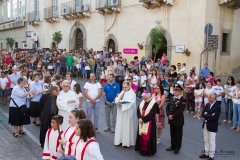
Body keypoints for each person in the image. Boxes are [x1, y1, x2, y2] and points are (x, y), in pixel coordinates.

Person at [135, 90, 159, 157]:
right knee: (141, 135)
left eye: (145, 98)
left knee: (147, 138)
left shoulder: (154, 104)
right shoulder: (143, 101)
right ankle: (140, 148)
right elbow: (138, 110)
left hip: (149, 122)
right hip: (141, 121)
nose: (144, 99)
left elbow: (152, 114)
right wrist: (139, 118)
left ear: (149, 97)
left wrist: (143, 119)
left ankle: (146, 151)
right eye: (143, 98)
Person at [114, 81, 138, 148]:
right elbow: (117, 99)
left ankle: (127, 142)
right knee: (121, 125)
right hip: (121, 112)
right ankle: (120, 140)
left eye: (125, 87)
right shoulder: (122, 92)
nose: (124, 88)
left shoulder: (132, 93)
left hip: (128, 112)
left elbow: (130, 103)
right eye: (123, 87)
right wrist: (119, 98)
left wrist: (119, 103)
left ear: (129, 85)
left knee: (127, 126)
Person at [166, 84, 186, 154]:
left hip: (178, 120)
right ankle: (172, 145)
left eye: (177, 91)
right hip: (171, 119)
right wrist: (168, 115)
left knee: (178, 134)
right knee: (172, 133)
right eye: (174, 90)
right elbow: (167, 107)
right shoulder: (172, 98)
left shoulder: (182, 100)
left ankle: (177, 147)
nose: (175, 92)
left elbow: (180, 110)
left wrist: (173, 116)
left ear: (180, 92)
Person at [199, 93, 221, 160]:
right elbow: (203, 114)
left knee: (211, 141)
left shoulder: (217, 107)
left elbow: (215, 117)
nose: (208, 98)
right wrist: (210, 115)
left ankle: (211, 156)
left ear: (214, 98)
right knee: (206, 140)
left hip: (212, 125)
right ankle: (206, 153)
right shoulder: (207, 104)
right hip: (206, 124)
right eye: (208, 97)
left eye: (209, 97)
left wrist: (207, 115)